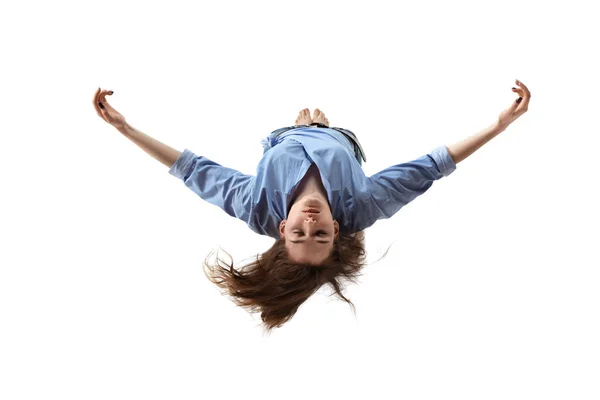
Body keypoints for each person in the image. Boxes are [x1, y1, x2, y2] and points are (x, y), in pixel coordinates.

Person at [93, 80, 531, 331]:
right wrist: (500, 124)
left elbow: (190, 169)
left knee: (292, 134)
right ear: (337, 231)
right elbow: (433, 165)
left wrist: (124, 127)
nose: (310, 222)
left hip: (281, 141)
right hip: (343, 145)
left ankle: (304, 131)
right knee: (330, 134)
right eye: (320, 233)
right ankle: (324, 132)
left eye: (299, 232)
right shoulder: (363, 207)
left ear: (281, 229)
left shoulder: (255, 208)